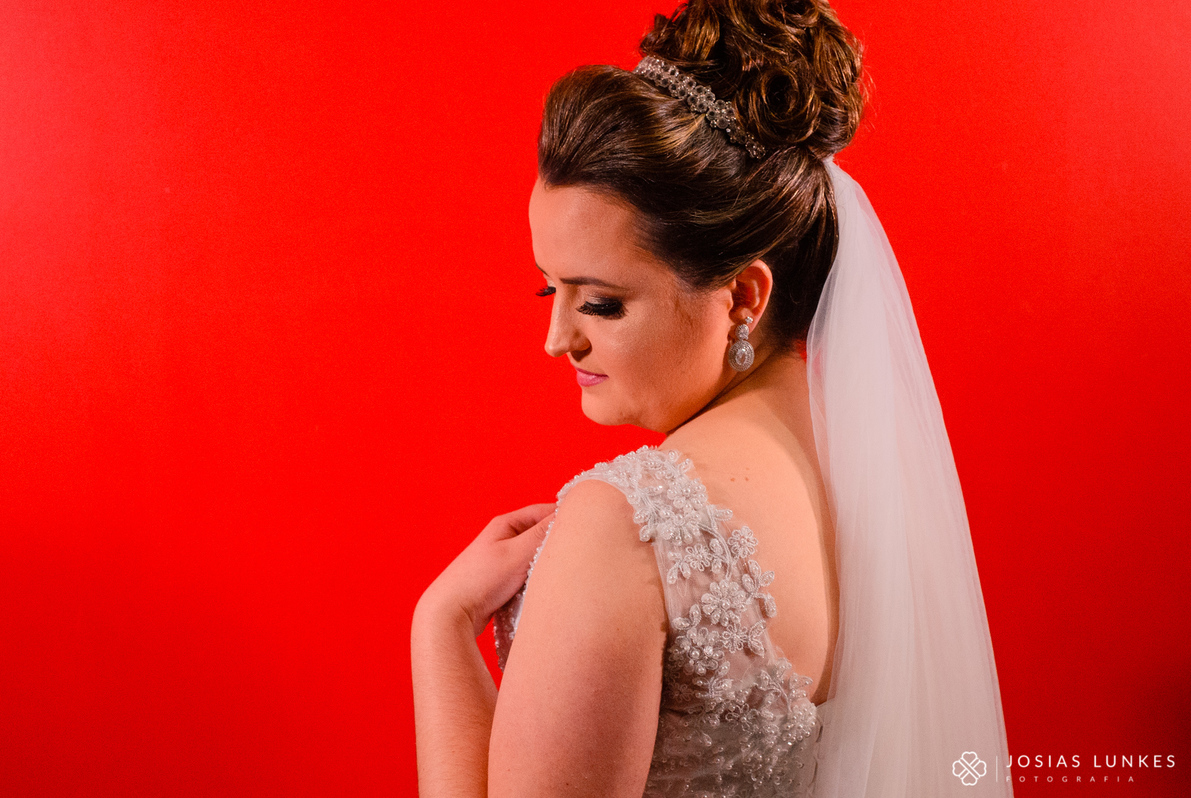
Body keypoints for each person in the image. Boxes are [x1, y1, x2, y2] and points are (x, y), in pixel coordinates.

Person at [410, 1, 1013, 795]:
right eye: (546, 288)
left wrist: (441, 632)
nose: (557, 340)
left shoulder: (625, 524)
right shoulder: (861, 469)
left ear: (743, 298)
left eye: (599, 302)